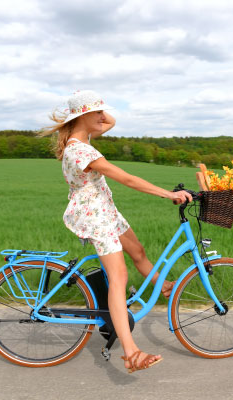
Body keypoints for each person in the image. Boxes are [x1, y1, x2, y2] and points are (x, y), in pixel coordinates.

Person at [41, 90, 192, 373]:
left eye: (101, 110)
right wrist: (166, 194)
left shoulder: (83, 138)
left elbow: (109, 121)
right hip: (94, 215)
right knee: (119, 277)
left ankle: (164, 287)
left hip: (105, 209)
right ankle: (131, 352)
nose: (103, 117)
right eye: (95, 112)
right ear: (82, 116)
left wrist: (91, 113)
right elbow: (126, 178)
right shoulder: (79, 149)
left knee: (138, 251)